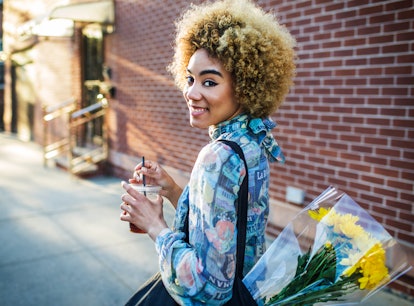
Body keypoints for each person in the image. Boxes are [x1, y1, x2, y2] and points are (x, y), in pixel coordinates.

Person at [120, 0, 296, 304]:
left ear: (245, 87)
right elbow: (225, 229)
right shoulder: (252, 143)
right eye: (190, 78)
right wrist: (174, 190)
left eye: (209, 82)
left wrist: (154, 225)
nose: (191, 92)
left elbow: (207, 289)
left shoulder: (217, 156)